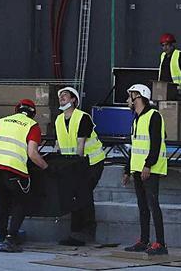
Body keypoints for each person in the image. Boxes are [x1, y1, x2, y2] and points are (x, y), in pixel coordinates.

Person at [0, 98, 49, 253]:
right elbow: (33, 154)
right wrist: (46, 167)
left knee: (3, 203)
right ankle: (10, 239)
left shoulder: (2, 121)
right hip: (14, 169)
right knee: (20, 203)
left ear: (17, 110)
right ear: (32, 113)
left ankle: (1, 237)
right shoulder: (32, 126)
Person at [54, 86, 105, 247]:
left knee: (83, 192)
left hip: (91, 162)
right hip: (74, 164)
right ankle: (77, 233)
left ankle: (86, 231)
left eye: (65, 95)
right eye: (60, 96)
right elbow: (58, 144)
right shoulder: (58, 120)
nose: (61, 97)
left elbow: (81, 144)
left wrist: (77, 166)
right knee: (75, 195)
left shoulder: (83, 117)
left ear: (74, 100)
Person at [122, 84, 168, 256]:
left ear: (138, 96)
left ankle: (161, 244)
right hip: (137, 169)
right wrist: (127, 170)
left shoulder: (153, 116)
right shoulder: (136, 118)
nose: (128, 99)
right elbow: (134, 147)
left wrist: (148, 165)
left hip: (150, 169)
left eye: (130, 95)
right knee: (143, 206)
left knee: (153, 205)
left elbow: (155, 143)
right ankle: (144, 240)